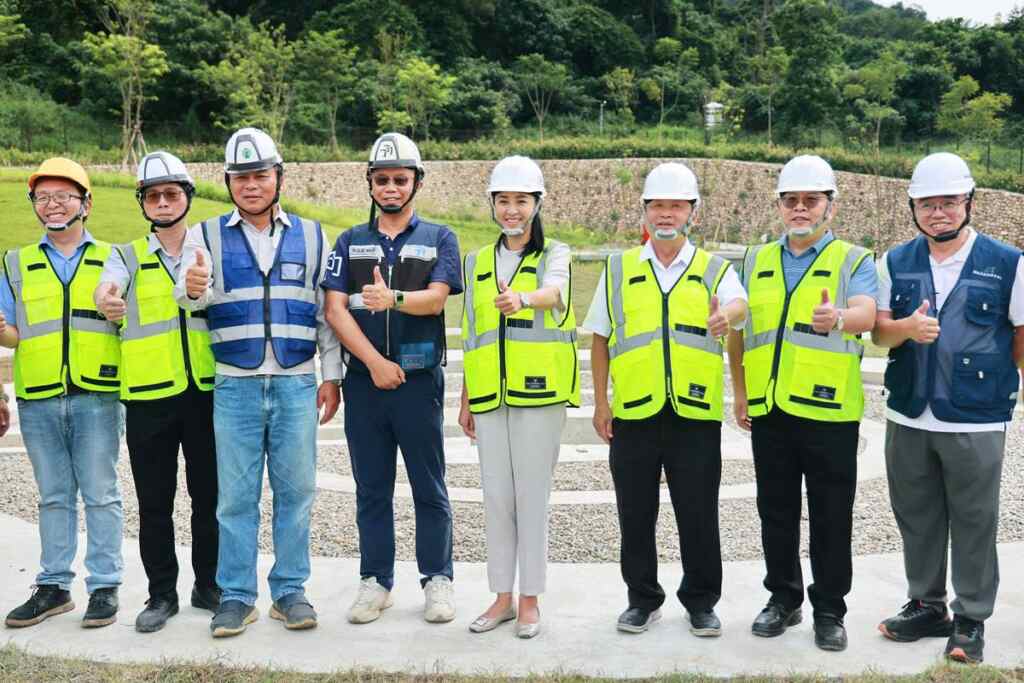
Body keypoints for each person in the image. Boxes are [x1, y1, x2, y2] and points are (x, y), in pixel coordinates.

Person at [174, 128, 342, 637]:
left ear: (278, 178)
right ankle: (237, 595)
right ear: (227, 182)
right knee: (236, 497)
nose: (251, 185)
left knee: (297, 491)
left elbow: (325, 315)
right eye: (241, 177)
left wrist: (330, 377)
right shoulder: (202, 236)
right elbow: (188, 297)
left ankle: (290, 591)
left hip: (295, 383)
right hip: (236, 386)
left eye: (260, 175)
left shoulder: (313, 235)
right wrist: (192, 286)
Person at [585, 162, 747, 637]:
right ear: (645, 211)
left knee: (698, 512)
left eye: (676, 205)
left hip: (694, 415)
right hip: (633, 412)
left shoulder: (714, 269)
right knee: (634, 513)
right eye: (658, 205)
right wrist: (600, 403)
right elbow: (600, 337)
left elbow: (739, 306)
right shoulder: (619, 269)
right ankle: (643, 599)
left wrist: (726, 318)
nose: (666, 213)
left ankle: (700, 601)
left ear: (692, 212)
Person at [872, 153, 1022, 664]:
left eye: (949, 202)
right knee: (917, 514)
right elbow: (878, 331)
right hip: (909, 410)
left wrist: (1003, 381)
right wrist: (905, 330)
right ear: (913, 207)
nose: (938, 212)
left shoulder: (1007, 262)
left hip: (977, 415)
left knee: (975, 517)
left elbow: (1021, 335)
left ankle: (971, 617)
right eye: (927, 204)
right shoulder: (895, 261)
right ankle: (927, 605)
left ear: (968, 203)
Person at [728, 155, 877, 652]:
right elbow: (740, 329)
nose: (800, 208)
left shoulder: (853, 259)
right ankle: (784, 600)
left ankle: (830, 610)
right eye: (791, 200)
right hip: (771, 410)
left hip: (830, 413)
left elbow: (868, 315)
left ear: (829, 207)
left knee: (832, 514)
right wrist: (742, 390)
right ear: (780, 206)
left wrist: (837, 317)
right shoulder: (754, 260)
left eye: (811, 200)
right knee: (776, 510)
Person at [323, 132, 461, 625]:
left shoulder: (439, 238)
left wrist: (396, 300)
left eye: (401, 179)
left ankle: (437, 579)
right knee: (372, 487)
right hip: (365, 382)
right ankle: (375, 581)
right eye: (382, 180)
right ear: (371, 184)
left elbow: (438, 298)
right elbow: (335, 310)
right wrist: (374, 364)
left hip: (419, 381)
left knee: (429, 484)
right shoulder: (349, 242)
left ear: (416, 182)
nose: (391, 187)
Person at [94, 151, 220, 633]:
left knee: (208, 496)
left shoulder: (208, 248)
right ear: (143, 203)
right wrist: (106, 300)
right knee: (155, 502)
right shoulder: (126, 255)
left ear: (186, 197)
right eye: (153, 195)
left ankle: (207, 584)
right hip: (147, 398)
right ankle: (160, 594)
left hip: (204, 391)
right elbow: (108, 290)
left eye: (172, 193)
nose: (163, 202)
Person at [457, 156, 578, 639]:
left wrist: (523, 299)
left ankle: (530, 600)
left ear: (537, 204)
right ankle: (501, 597)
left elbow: (556, 293)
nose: (512, 210)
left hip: (540, 397)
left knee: (532, 498)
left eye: (521, 201)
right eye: (503, 201)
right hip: (489, 397)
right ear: (492, 204)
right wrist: (466, 397)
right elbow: (471, 333)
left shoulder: (556, 254)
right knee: (496, 499)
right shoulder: (477, 262)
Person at [2, 158, 124, 629]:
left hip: (97, 394)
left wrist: (119, 313)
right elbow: (13, 335)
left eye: (63, 197)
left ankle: (105, 587)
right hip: (39, 395)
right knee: (53, 495)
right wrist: (4, 332)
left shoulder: (113, 259)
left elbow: (127, 322)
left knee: (100, 493)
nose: (52, 206)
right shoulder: (16, 263)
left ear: (86, 204)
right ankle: (53, 586)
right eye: (42, 198)